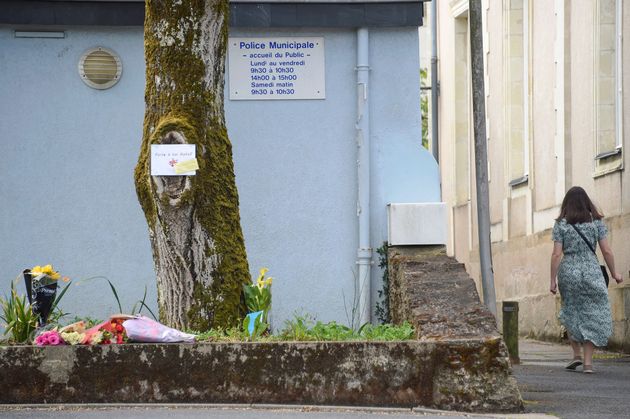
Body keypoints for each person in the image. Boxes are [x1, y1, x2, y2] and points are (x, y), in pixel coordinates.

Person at [550, 186, 623, 374]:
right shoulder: (596, 223)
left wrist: (552, 280)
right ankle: (588, 364)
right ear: (586, 202)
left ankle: (576, 355)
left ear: (567, 204)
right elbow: (606, 250)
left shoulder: (561, 225)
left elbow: (556, 255)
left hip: (569, 272)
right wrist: (615, 273)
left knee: (571, 310)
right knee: (593, 312)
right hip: (591, 270)